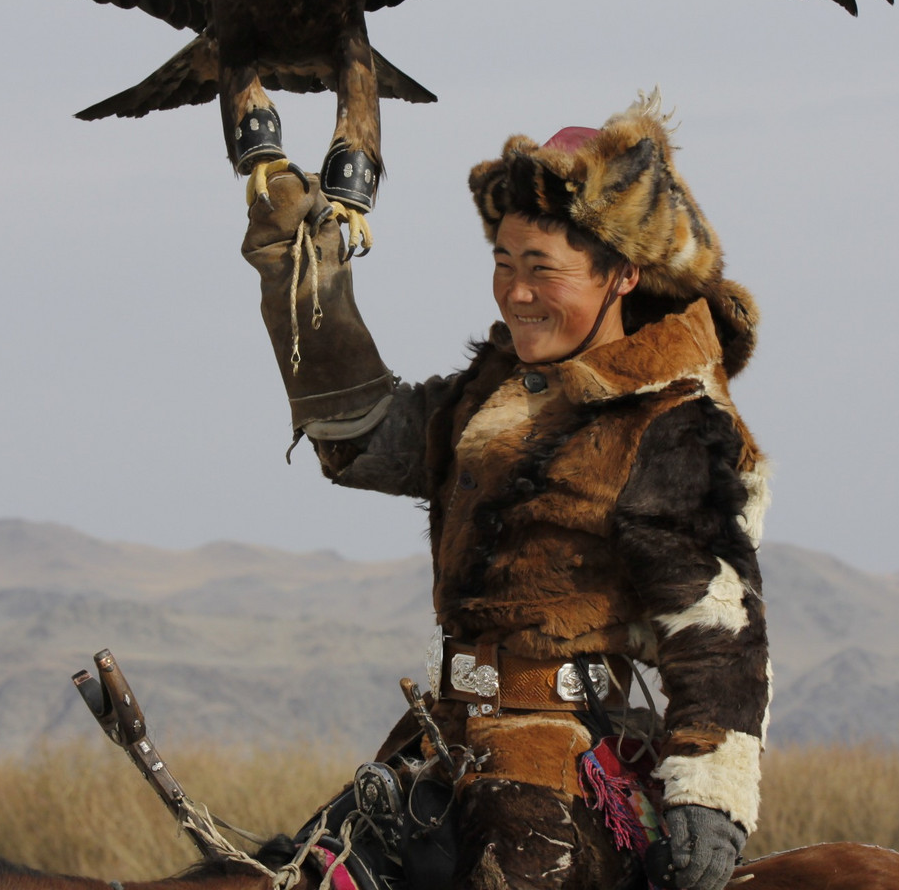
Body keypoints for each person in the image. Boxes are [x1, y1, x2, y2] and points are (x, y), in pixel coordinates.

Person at [241, 92, 770, 890]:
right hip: (441, 746)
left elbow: (714, 618)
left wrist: (711, 792)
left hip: (567, 763)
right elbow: (360, 441)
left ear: (623, 273)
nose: (517, 292)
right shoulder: (492, 398)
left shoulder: (672, 420)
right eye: (503, 263)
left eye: (542, 269)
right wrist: (303, 273)